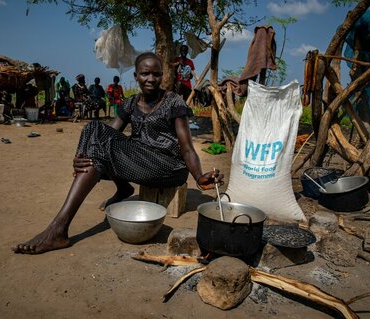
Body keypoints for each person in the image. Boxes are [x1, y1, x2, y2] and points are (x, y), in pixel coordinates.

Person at [13, 52, 223, 255]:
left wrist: (198, 176)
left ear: (162, 76)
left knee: (98, 140)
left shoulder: (173, 101)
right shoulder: (131, 104)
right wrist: (81, 156)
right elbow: (107, 135)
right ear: (136, 76)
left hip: (168, 166)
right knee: (93, 129)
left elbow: (187, 148)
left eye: (156, 74)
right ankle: (75, 219)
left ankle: (58, 228)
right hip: (138, 161)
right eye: (145, 74)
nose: (151, 79)